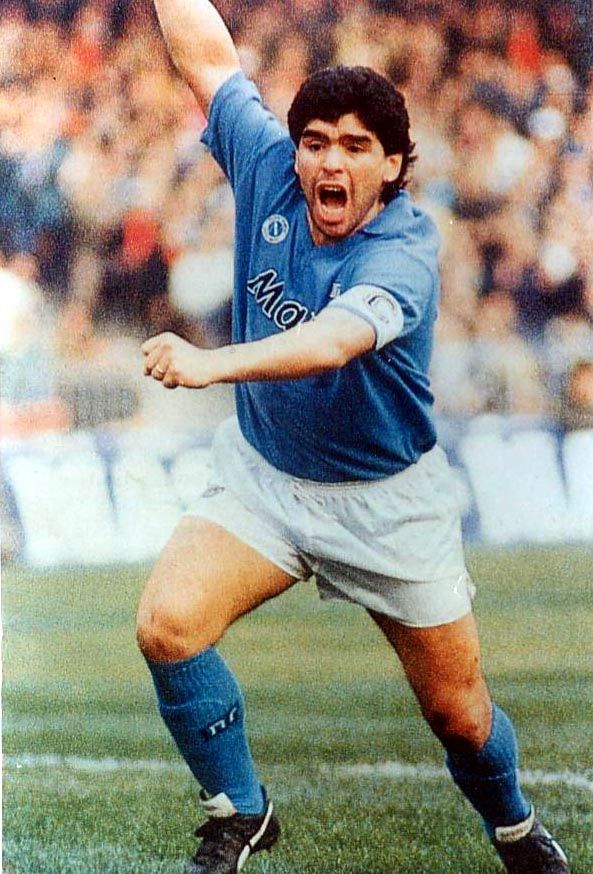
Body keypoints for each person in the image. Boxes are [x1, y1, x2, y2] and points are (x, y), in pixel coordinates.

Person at [136, 2, 571, 872]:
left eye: (356, 146)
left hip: (385, 503)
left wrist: (213, 365)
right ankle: (239, 811)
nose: (329, 161)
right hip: (265, 478)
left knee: (459, 716)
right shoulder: (268, 168)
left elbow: (332, 341)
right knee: (167, 625)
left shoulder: (404, 247)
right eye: (315, 142)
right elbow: (206, 57)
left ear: (393, 165)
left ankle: (515, 827)